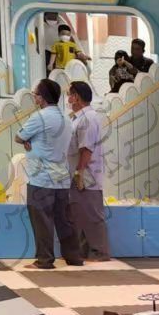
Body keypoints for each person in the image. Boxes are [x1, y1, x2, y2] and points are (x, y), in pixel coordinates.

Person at [16, 78, 82, 270]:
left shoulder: (40, 117)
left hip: (41, 177)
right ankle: (74, 257)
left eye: (36, 94)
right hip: (62, 176)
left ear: (42, 97)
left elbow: (19, 136)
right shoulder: (66, 119)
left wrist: (28, 141)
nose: (34, 98)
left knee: (42, 220)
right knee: (64, 220)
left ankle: (44, 260)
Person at [66, 80, 111, 263]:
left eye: (70, 95)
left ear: (76, 97)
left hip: (86, 173)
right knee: (79, 213)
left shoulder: (88, 118)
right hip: (78, 171)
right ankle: (84, 251)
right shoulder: (77, 118)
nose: (68, 99)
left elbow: (86, 148)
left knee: (92, 213)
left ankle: (100, 252)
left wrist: (80, 172)